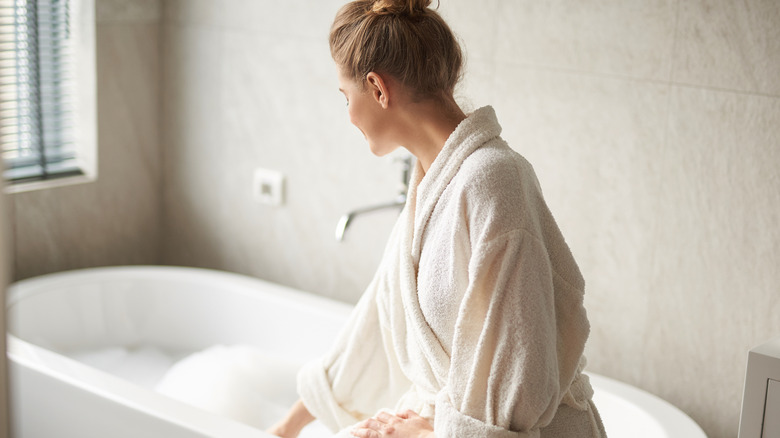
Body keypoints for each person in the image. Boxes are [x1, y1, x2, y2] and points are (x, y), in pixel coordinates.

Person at [269, 0, 607, 437]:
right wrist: (284, 428)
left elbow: (520, 373)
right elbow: (380, 324)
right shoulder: (433, 181)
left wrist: (427, 431)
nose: (348, 115)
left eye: (345, 97)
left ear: (377, 88)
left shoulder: (493, 181)